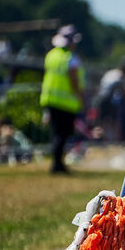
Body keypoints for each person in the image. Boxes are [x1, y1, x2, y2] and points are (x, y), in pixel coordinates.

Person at [40, 25, 85, 174]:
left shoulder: (51, 54)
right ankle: (57, 165)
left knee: (57, 133)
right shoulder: (70, 57)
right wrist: (79, 96)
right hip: (66, 101)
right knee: (63, 134)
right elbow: (73, 79)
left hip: (50, 99)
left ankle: (57, 163)